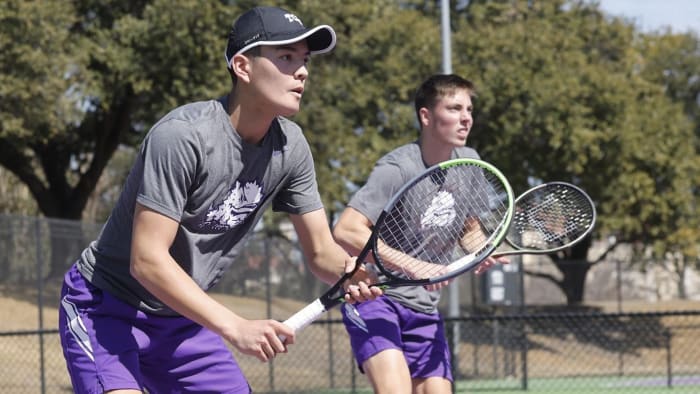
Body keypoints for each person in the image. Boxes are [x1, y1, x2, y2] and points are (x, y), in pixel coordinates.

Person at [58, 6, 380, 394]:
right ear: (242, 67)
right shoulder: (181, 136)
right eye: (286, 57)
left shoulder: (291, 147)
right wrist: (234, 326)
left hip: (179, 320)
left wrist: (349, 270)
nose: (302, 71)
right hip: (106, 307)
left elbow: (320, 253)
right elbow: (147, 261)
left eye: (305, 60)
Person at [333, 74, 506, 394]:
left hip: (425, 308)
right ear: (426, 116)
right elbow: (346, 230)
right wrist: (413, 266)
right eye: (454, 108)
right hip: (376, 299)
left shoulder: (471, 163)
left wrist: (481, 249)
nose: (466, 117)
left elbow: (468, 229)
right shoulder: (396, 168)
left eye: (469, 108)